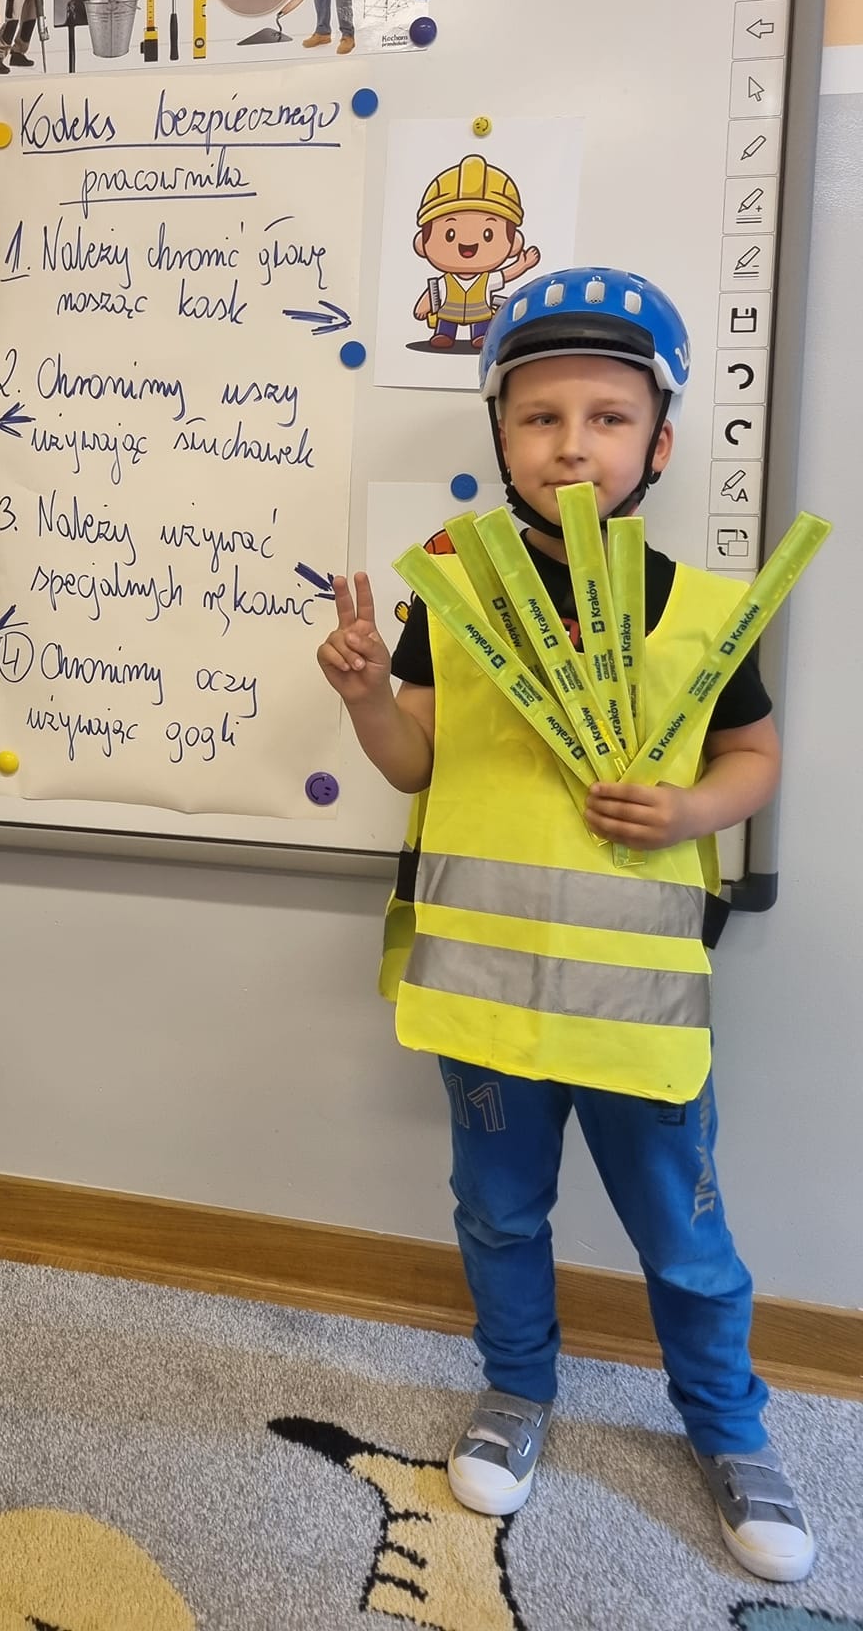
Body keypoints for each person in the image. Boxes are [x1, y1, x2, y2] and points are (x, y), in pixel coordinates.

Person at [316, 269, 816, 1585]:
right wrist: (367, 699)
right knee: (497, 1214)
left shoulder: (704, 612)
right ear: (501, 440)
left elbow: (757, 758)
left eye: (607, 417)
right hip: (486, 997)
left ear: (660, 443)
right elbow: (417, 763)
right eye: (540, 418)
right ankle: (516, 1387)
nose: (572, 445)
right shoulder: (453, 599)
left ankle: (730, 1426)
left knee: (686, 1240)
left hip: (641, 1011)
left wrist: (691, 806)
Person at [411, 155, 541, 350]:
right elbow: (433, 293)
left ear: (514, 243)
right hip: (448, 314)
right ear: (422, 243)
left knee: (483, 325)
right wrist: (424, 307)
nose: (468, 244)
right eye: (450, 234)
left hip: (479, 315)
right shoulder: (445, 282)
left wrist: (522, 265)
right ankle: (444, 334)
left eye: (488, 234)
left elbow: (506, 274)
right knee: (446, 324)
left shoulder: (487, 280)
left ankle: (481, 336)